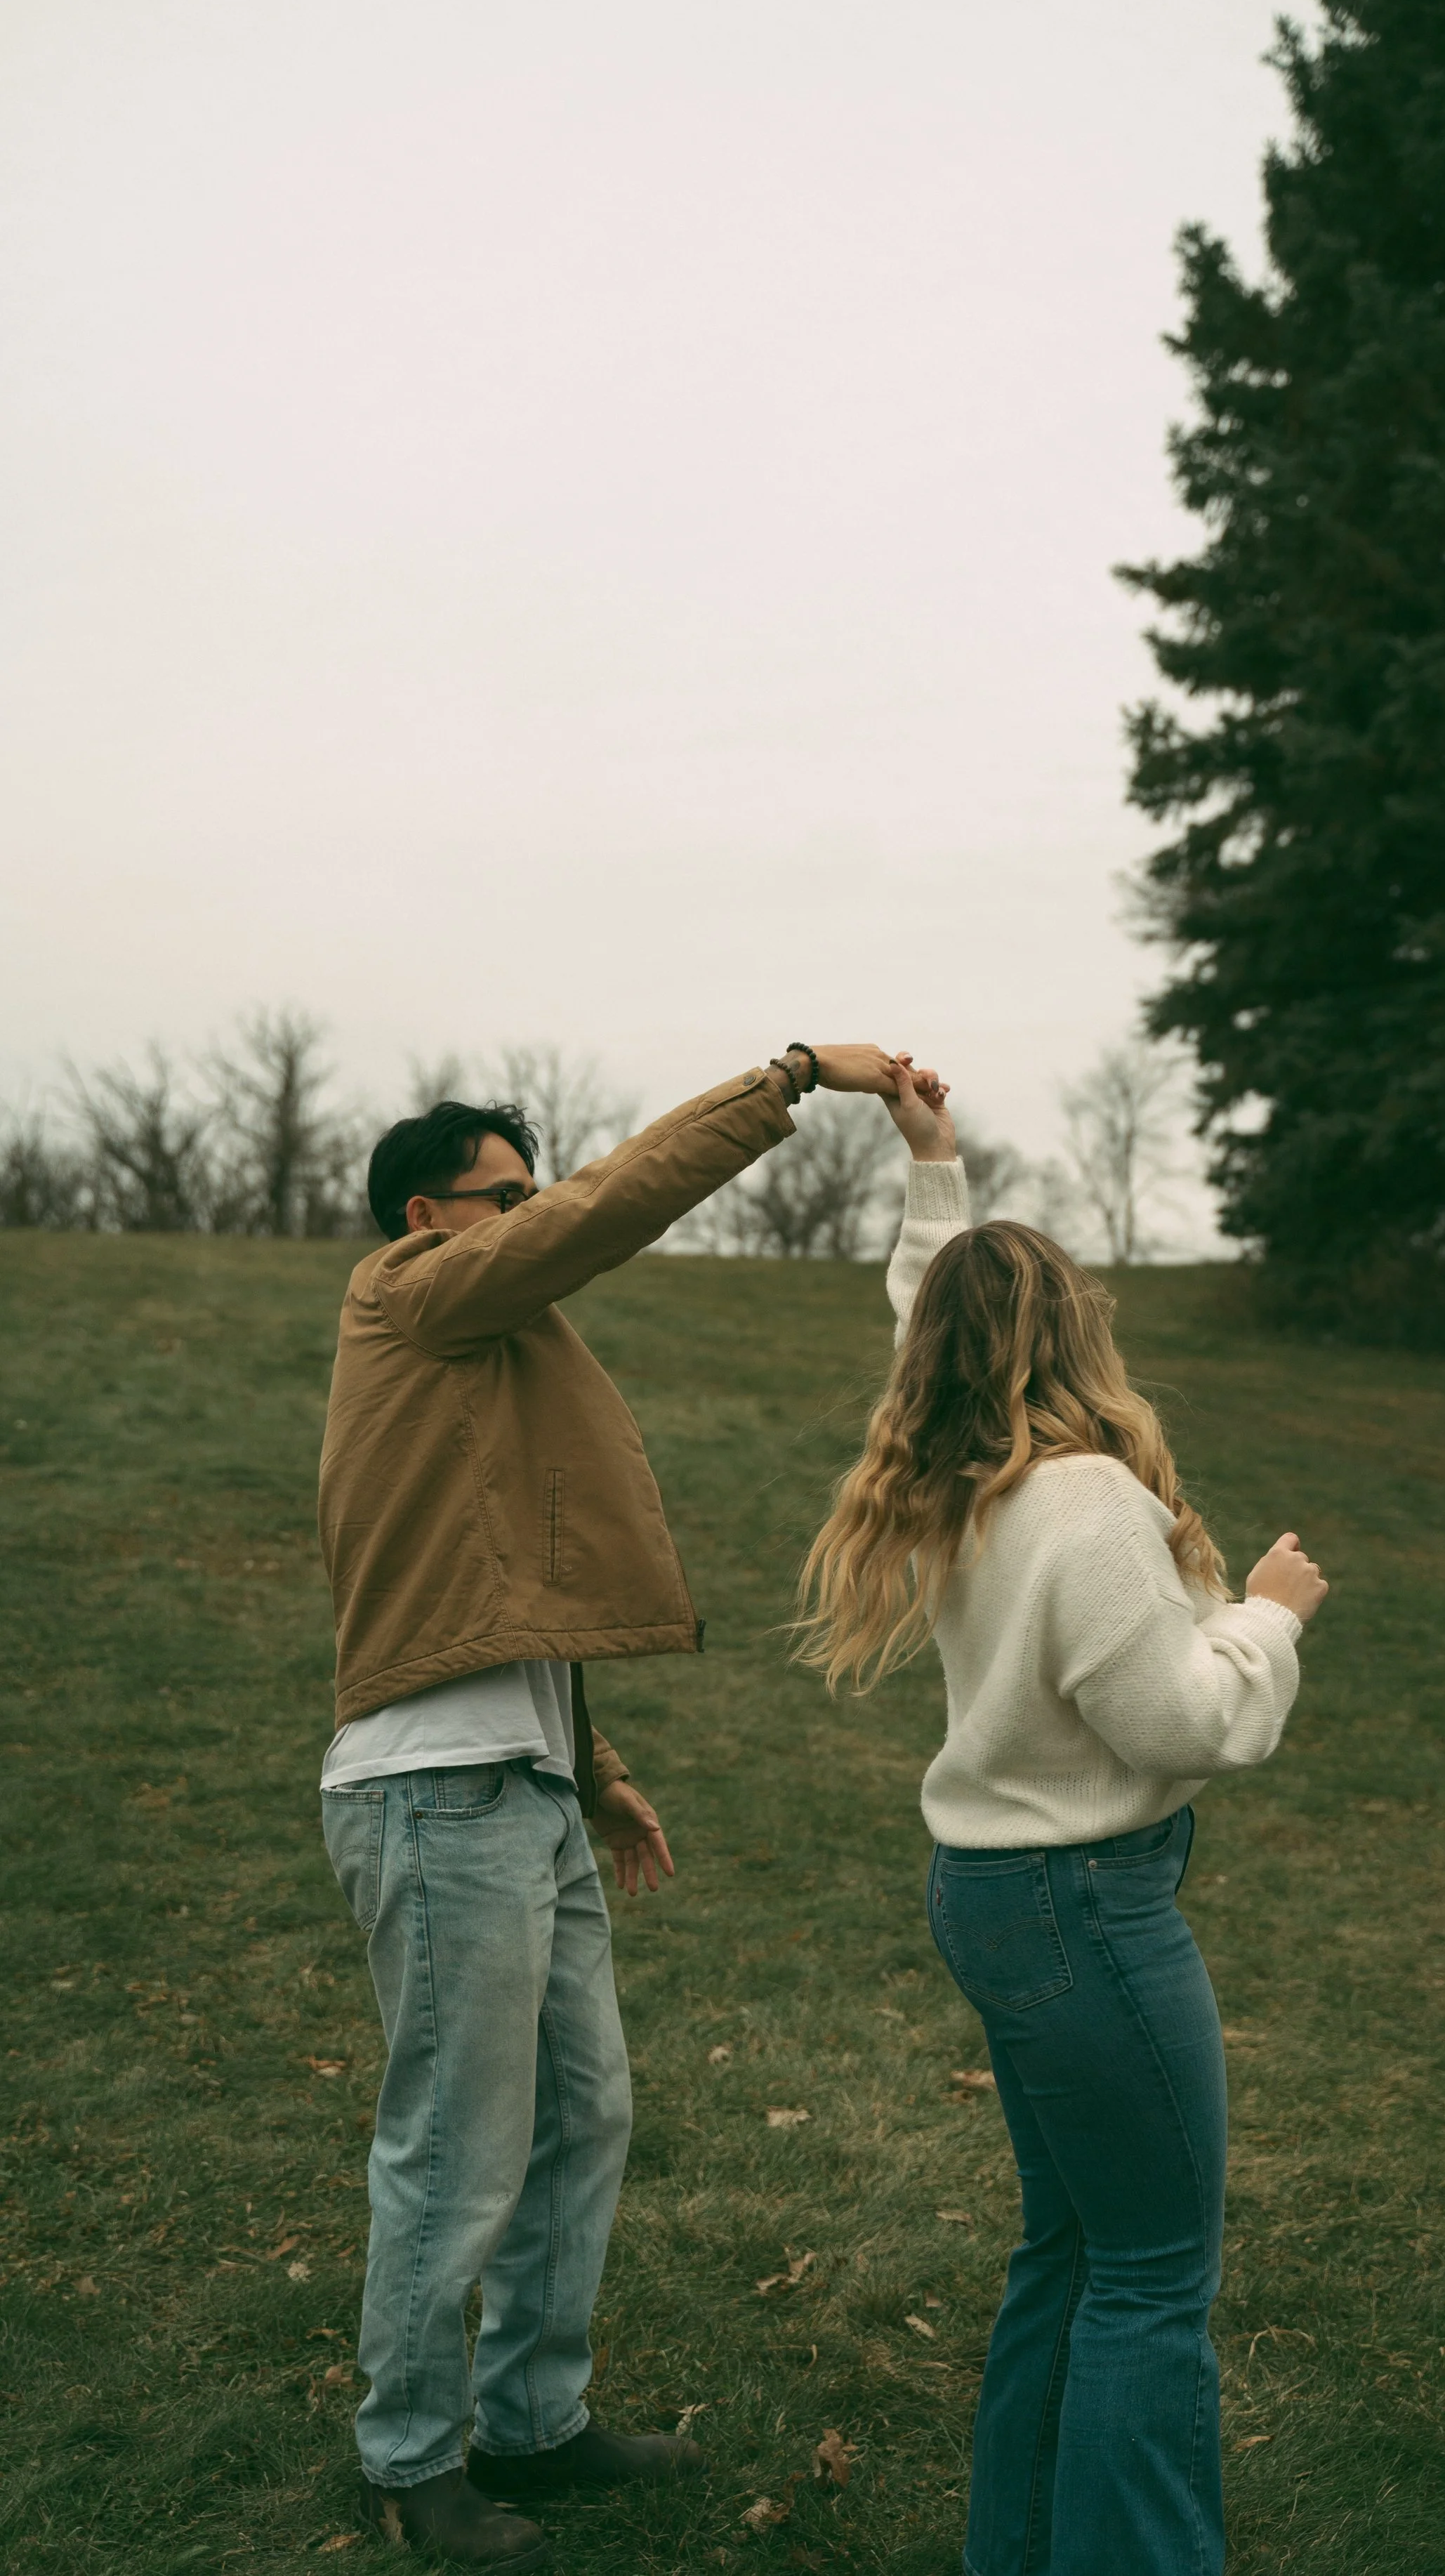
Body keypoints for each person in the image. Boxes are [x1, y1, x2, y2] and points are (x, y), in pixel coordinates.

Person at [317, 1044, 919, 2572]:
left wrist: (597, 1770)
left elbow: (502, 1586)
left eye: (530, 1191)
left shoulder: (487, 1356)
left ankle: (534, 2422)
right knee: (458, 2147)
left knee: (584, 2117)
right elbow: (601, 1214)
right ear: (420, 1215)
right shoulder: (405, 1298)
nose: (533, 1218)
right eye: (501, 1199)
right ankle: (408, 2460)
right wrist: (781, 1079)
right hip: (435, 1800)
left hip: (521, 1790)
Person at [796, 1063, 1328, 2576]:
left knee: (1073, 2251)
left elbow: (922, 1312)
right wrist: (1270, 1619)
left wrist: (933, 1167)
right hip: (1083, 1908)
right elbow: (1180, 1719)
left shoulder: (965, 1471)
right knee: (1154, 2276)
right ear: (1072, 1334)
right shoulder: (1083, 1497)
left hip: (998, 1896)